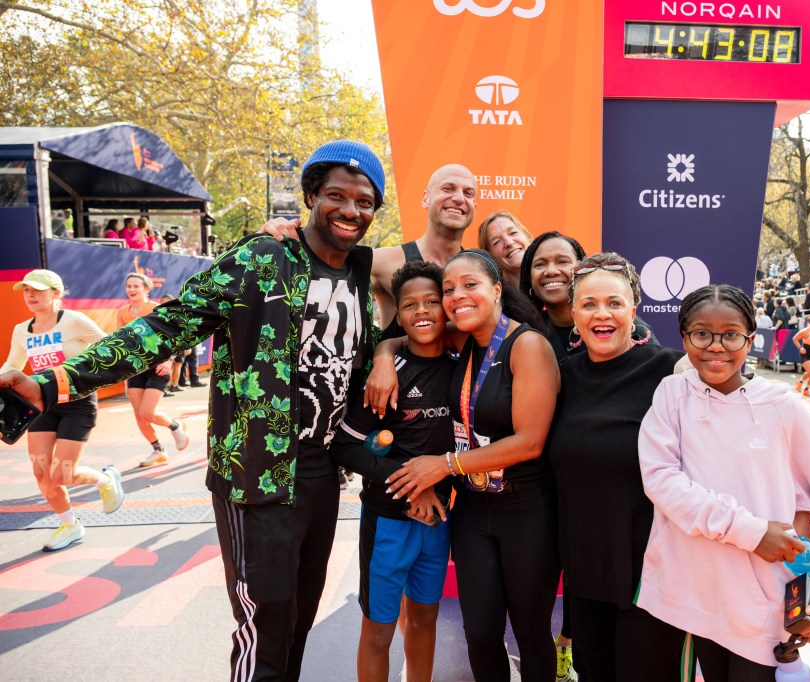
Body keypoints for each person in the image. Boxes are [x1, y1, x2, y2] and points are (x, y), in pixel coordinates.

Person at [0, 139, 387, 680]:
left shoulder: (358, 283)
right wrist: (56, 383)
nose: (351, 210)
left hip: (322, 477)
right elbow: (166, 325)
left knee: (297, 619)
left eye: (365, 202)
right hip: (256, 474)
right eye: (336, 196)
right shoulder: (261, 259)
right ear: (309, 197)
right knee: (264, 626)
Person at [635, 284, 810, 681]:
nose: (716, 346)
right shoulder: (672, 393)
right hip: (693, 600)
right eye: (702, 333)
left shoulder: (783, 407)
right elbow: (661, 481)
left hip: (762, 610)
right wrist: (752, 532)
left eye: (731, 334)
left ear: (750, 338)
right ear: (684, 336)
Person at [378, 249, 562, 682]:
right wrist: (385, 359)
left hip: (528, 511)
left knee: (531, 633)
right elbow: (399, 336)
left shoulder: (527, 345)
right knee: (479, 633)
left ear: (497, 289)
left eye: (470, 285)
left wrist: (444, 465)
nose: (457, 296)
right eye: (448, 290)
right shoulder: (461, 341)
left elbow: (530, 442)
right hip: (474, 512)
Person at [544, 254, 689, 680]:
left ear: (633, 309)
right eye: (588, 304)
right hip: (585, 569)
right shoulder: (561, 376)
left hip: (653, 573)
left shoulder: (673, 371)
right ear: (573, 314)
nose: (601, 313)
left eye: (614, 302)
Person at [330, 261, 455, 682]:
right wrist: (412, 482)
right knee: (378, 631)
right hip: (388, 521)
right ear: (397, 315)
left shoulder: (465, 367)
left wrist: (434, 487)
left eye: (432, 301)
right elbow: (344, 446)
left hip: (438, 520)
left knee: (423, 621)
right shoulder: (386, 375)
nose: (422, 311)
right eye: (409, 304)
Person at [262, 163, 478, 338]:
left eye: (468, 193)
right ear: (425, 198)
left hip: (471, 390)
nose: (459, 198)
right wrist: (277, 236)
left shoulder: (481, 269)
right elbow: (316, 265)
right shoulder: (382, 261)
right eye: (448, 189)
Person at [1, 269, 124, 551]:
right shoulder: (22, 329)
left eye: (37, 290)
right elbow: (12, 366)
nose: (30, 295)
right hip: (42, 403)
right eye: (26, 290)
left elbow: (110, 346)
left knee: (62, 475)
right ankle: (69, 524)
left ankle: (105, 479)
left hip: (78, 403)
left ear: (56, 293)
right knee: (41, 472)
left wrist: (88, 373)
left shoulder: (74, 321)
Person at [519, 230, 656, 360]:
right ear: (529, 277)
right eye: (540, 264)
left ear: (582, 269)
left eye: (562, 262)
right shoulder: (528, 335)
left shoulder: (629, 326)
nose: (551, 271)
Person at [117, 273, 189, 466]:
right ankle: (158, 450)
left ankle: (175, 426)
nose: (132, 290)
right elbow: (118, 342)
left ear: (146, 289)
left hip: (158, 366)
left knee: (147, 412)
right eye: (129, 286)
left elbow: (177, 336)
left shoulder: (156, 309)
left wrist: (169, 361)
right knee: (138, 414)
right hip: (136, 368)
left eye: (136, 286)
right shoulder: (123, 312)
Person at [479, 210, 533, 283]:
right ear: (490, 257)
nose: (509, 243)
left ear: (527, 236)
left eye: (513, 233)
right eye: (496, 242)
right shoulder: (496, 293)